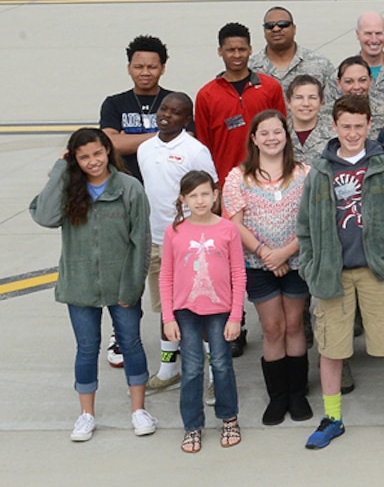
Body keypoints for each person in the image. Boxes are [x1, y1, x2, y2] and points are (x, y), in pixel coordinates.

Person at [295, 94, 384, 449]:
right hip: (332, 273)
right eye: (345, 126)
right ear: (334, 126)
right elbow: (304, 225)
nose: (352, 133)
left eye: (359, 126)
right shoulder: (320, 171)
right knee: (331, 347)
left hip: (376, 271)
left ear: (369, 125)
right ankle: (332, 417)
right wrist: (310, 263)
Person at [34, 128, 152, 442]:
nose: (93, 161)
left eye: (98, 153)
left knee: (132, 344)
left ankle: (139, 410)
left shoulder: (129, 188)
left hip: (121, 285)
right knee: (86, 349)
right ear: (75, 159)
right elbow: (44, 216)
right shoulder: (69, 190)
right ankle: (86, 414)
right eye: (83, 157)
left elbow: (141, 241)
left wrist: (133, 286)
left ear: (108, 151)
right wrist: (60, 170)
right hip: (80, 286)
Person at [224, 109, 313, 426]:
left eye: (278, 132)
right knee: (272, 327)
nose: (272, 138)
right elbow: (235, 225)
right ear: (254, 139)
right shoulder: (238, 177)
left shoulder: (305, 174)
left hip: (297, 262)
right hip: (258, 265)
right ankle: (277, 397)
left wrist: (286, 253)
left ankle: (297, 392)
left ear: (286, 136)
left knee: (294, 325)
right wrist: (266, 254)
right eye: (264, 133)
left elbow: (311, 220)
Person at [159, 170, 246, 452]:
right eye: (193, 195)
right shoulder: (175, 231)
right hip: (186, 310)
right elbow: (166, 276)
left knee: (221, 363)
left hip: (220, 308)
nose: (200, 200)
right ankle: (192, 425)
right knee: (193, 367)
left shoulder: (227, 229)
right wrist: (168, 316)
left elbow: (238, 273)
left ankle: (229, 417)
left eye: (205, 194)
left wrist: (236, 316)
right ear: (183, 199)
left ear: (215, 195)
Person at [136, 92, 217, 392]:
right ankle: (169, 369)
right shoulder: (145, 149)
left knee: (202, 308)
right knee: (166, 309)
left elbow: (211, 193)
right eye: (164, 109)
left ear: (186, 119)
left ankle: (212, 377)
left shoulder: (195, 150)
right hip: (157, 242)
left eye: (176, 112)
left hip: (190, 243)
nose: (167, 115)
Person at [193, 22, 286, 177]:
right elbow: (204, 146)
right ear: (220, 51)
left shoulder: (270, 87)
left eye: (242, 49)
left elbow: (282, 134)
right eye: (230, 50)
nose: (237, 55)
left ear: (250, 50)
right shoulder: (206, 95)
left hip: (268, 178)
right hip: (226, 180)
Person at [102, 34, 176, 175]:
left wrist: (127, 139)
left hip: (167, 183)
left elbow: (185, 141)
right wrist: (164, 135)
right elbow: (110, 144)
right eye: (138, 67)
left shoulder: (176, 101)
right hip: (125, 185)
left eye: (152, 67)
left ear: (162, 69)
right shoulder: (114, 103)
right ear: (129, 68)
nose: (145, 72)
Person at [285, 75, 334, 160]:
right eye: (299, 98)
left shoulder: (335, 133)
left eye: (312, 98)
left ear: (321, 102)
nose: (306, 104)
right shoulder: (278, 133)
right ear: (289, 102)